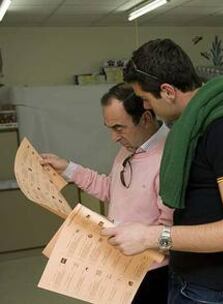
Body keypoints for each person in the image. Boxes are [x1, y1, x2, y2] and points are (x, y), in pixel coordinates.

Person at [101, 38, 223, 304]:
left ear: (167, 91)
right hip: (188, 276)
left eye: (144, 98)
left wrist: (150, 236)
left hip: (215, 289)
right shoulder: (192, 124)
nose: (145, 107)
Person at [41, 83, 173, 304]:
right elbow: (112, 189)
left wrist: (143, 240)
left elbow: (171, 232)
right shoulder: (131, 146)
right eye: (109, 128)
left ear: (146, 119)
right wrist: (68, 169)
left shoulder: (168, 158)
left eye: (119, 128)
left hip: (150, 272)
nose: (114, 137)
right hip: (120, 262)